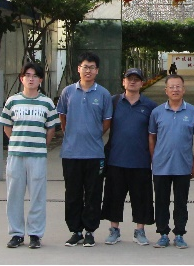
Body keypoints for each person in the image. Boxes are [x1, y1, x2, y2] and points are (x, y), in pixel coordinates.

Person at [0, 61, 59, 249]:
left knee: (37, 196)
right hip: (16, 155)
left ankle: (35, 234)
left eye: (35, 76)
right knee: (14, 195)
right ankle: (16, 233)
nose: (31, 79)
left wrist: (40, 145)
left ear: (40, 80)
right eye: (27, 75)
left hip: (37, 156)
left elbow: (51, 129)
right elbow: (7, 127)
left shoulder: (47, 103)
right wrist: (18, 142)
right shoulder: (12, 101)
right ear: (21, 78)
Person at [57, 52, 113, 248]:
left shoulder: (103, 94)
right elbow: (62, 117)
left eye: (92, 67)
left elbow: (107, 121)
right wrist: (72, 134)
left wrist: (94, 134)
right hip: (71, 153)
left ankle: (90, 230)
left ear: (97, 71)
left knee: (93, 194)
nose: (88, 70)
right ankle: (76, 231)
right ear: (78, 69)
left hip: (94, 154)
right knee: (72, 194)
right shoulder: (68, 92)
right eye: (85, 67)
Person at [101, 67, 157, 246]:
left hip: (141, 160)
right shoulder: (114, 102)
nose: (132, 82)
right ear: (123, 82)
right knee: (114, 197)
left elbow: (156, 132)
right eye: (129, 78)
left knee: (141, 198)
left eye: (136, 79)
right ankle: (114, 230)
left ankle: (140, 231)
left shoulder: (150, 106)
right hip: (116, 158)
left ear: (142, 83)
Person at [148, 74, 194, 249]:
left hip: (183, 165)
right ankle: (163, 234)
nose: (175, 90)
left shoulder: (193, 112)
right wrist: (154, 158)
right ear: (166, 90)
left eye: (178, 86)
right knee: (161, 202)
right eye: (171, 87)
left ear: (184, 89)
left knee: (181, 202)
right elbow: (152, 137)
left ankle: (179, 234)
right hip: (161, 166)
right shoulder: (157, 112)